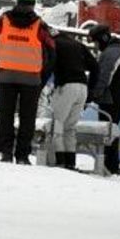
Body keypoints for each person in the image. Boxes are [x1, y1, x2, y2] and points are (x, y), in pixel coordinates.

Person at [0, 0, 56, 164]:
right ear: (32, 4)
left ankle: (6, 153)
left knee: (6, 115)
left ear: (16, 1)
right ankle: (22, 155)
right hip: (31, 77)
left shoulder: (3, 20)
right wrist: (39, 66)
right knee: (27, 117)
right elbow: (51, 49)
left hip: (6, 75)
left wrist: (2, 59)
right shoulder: (39, 24)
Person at [49, 29, 98, 169]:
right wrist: (91, 91)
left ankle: (60, 161)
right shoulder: (76, 44)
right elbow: (95, 66)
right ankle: (70, 162)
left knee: (57, 124)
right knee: (70, 128)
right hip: (82, 87)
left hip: (66, 86)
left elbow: (48, 65)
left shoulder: (53, 43)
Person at [88, 23, 120, 174]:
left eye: (96, 42)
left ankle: (109, 165)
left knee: (107, 131)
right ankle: (111, 164)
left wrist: (92, 95)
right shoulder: (119, 50)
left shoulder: (111, 53)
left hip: (112, 98)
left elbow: (104, 77)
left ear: (103, 38)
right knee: (111, 130)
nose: (96, 45)